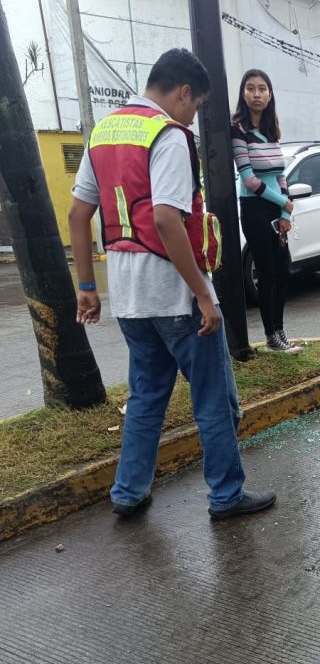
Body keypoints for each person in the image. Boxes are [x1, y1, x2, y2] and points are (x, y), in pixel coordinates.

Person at [68, 47, 276, 521]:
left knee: (145, 398)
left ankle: (128, 493)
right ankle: (226, 495)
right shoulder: (168, 135)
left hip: (129, 297)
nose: (194, 114)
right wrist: (203, 294)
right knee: (214, 402)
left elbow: (78, 215)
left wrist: (86, 285)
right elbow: (166, 219)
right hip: (176, 295)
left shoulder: (103, 132)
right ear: (184, 92)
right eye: (196, 105)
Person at [231, 69, 300, 354]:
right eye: (250, 88)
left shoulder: (271, 131)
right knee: (267, 274)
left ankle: (280, 331)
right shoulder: (238, 130)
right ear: (243, 93)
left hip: (275, 208)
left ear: (270, 94)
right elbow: (249, 180)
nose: (256, 94)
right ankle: (271, 335)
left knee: (283, 271)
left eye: (262, 89)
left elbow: (280, 175)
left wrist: (285, 213)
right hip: (254, 208)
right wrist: (283, 203)